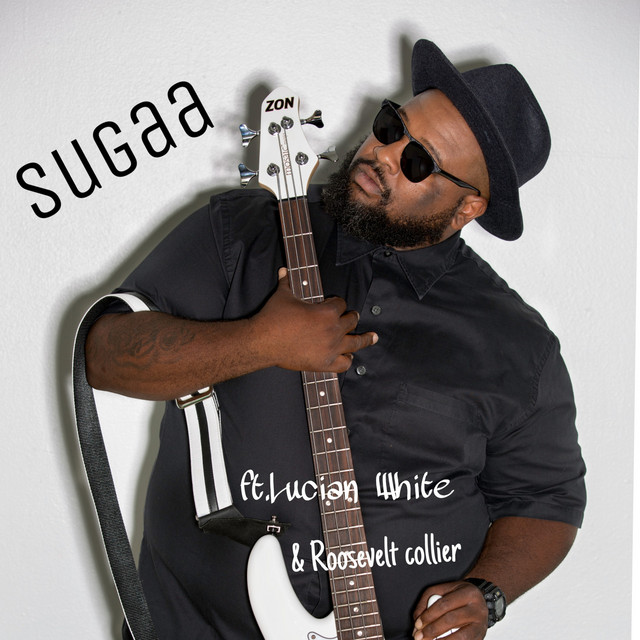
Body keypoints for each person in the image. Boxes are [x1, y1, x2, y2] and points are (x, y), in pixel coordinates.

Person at [85, 39, 586, 640]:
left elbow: (547, 499)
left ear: (466, 208)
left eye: (418, 161)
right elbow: (103, 356)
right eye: (392, 126)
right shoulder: (245, 234)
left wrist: (487, 593)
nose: (383, 154)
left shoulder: (515, 341)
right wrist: (257, 343)